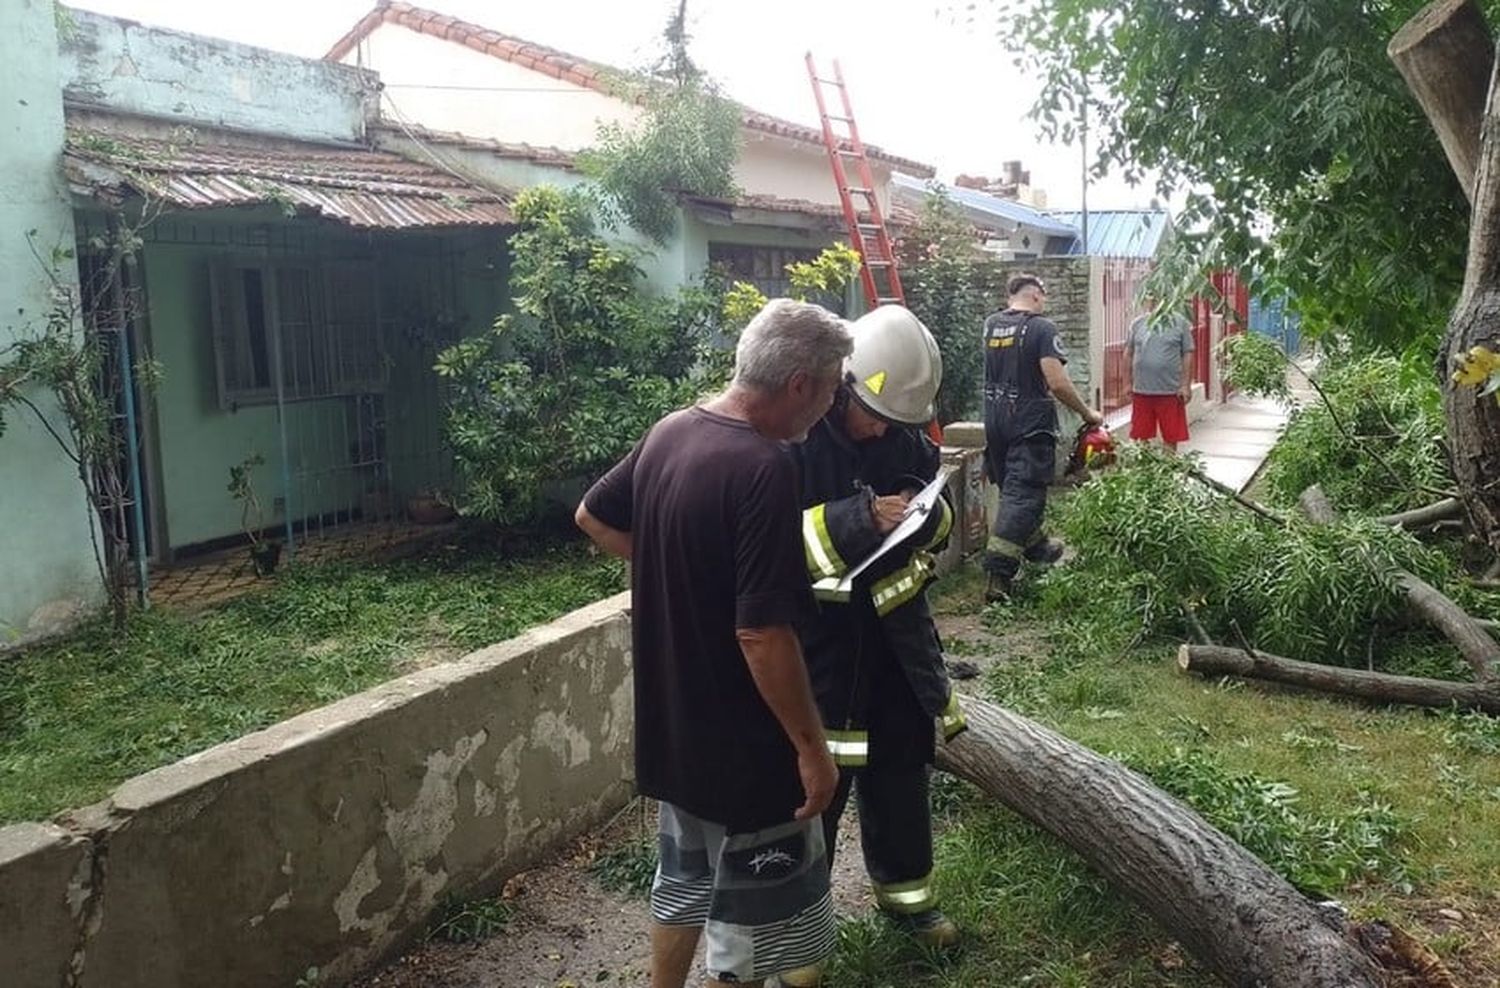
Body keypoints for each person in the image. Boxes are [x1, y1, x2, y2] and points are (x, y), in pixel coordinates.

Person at [575, 299, 851, 988]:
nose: (829, 406)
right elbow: (762, 634)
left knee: (685, 883)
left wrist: (677, 566)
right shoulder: (763, 469)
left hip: (676, 732)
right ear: (799, 386)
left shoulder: (672, 432)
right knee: (751, 936)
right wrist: (812, 752)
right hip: (747, 753)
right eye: (831, 387)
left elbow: (593, 515)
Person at [774, 305, 968, 988]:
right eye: (872, 413)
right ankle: (798, 936)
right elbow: (771, 545)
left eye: (896, 420)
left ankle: (906, 896)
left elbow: (941, 518)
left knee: (900, 775)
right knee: (810, 793)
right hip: (819, 656)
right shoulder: (794, 439)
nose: (882, 428)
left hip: (893, 652)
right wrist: (860, 518)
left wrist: (922, 513)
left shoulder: (902, 435)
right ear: (840, 384)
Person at [982, 273, 1103, 604]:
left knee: (1012, 489)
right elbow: (1057, 382)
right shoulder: (1041, 328)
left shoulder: (992, 325)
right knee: (1023, 496)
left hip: (994, 419)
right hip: (1029, 424)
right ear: (1036, 296)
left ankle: (1037, 547)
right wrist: (1087, 413)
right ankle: (998, 576)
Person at [1124, 300, 1196, 451]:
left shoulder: (1180, 323)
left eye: (1161, 297)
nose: (1155, 302)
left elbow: (1187, 354)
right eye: (1152, 297)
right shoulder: (1138, 324)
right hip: (1142, 391)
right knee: (1140, 437)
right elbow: (1128, 354)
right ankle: (1144, 471)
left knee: (1171, 436)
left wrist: (1185, 385)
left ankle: (1167, 471)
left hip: (1170, 392)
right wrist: (1127, 383)